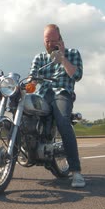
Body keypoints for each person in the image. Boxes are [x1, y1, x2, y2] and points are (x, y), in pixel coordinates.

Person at [29, 24, 85, 188]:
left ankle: (76, 172)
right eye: (47, 40)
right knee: (23, 111)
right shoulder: (39, 58)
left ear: (60, 40)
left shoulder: (72, 53)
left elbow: (77, 75)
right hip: (42, 94)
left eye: (54, 40)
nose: (50, 44)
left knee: (62, 122)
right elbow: (32, 78)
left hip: (62, 93)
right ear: (43, 41)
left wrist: (62, 58)